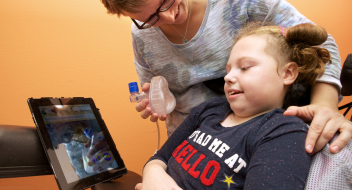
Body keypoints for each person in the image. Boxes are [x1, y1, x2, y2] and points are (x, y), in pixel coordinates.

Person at [100, 0, 352, 154]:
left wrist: (324, 104)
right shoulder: (141, 36)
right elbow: (157, 91)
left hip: (254, 137)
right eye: (151, 18)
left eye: (166, 1)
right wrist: (158, 102)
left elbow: (320, 43)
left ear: (288, 73)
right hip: (194, 144)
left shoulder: (241, 3)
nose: (168, 17)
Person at [135, 22, 332, 190]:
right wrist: (153, 176)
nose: (228, 77)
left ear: (288, 73)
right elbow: (159, 158)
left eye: (244, 67)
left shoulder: (283, 132)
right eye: (228, 70)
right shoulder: (210, 110)